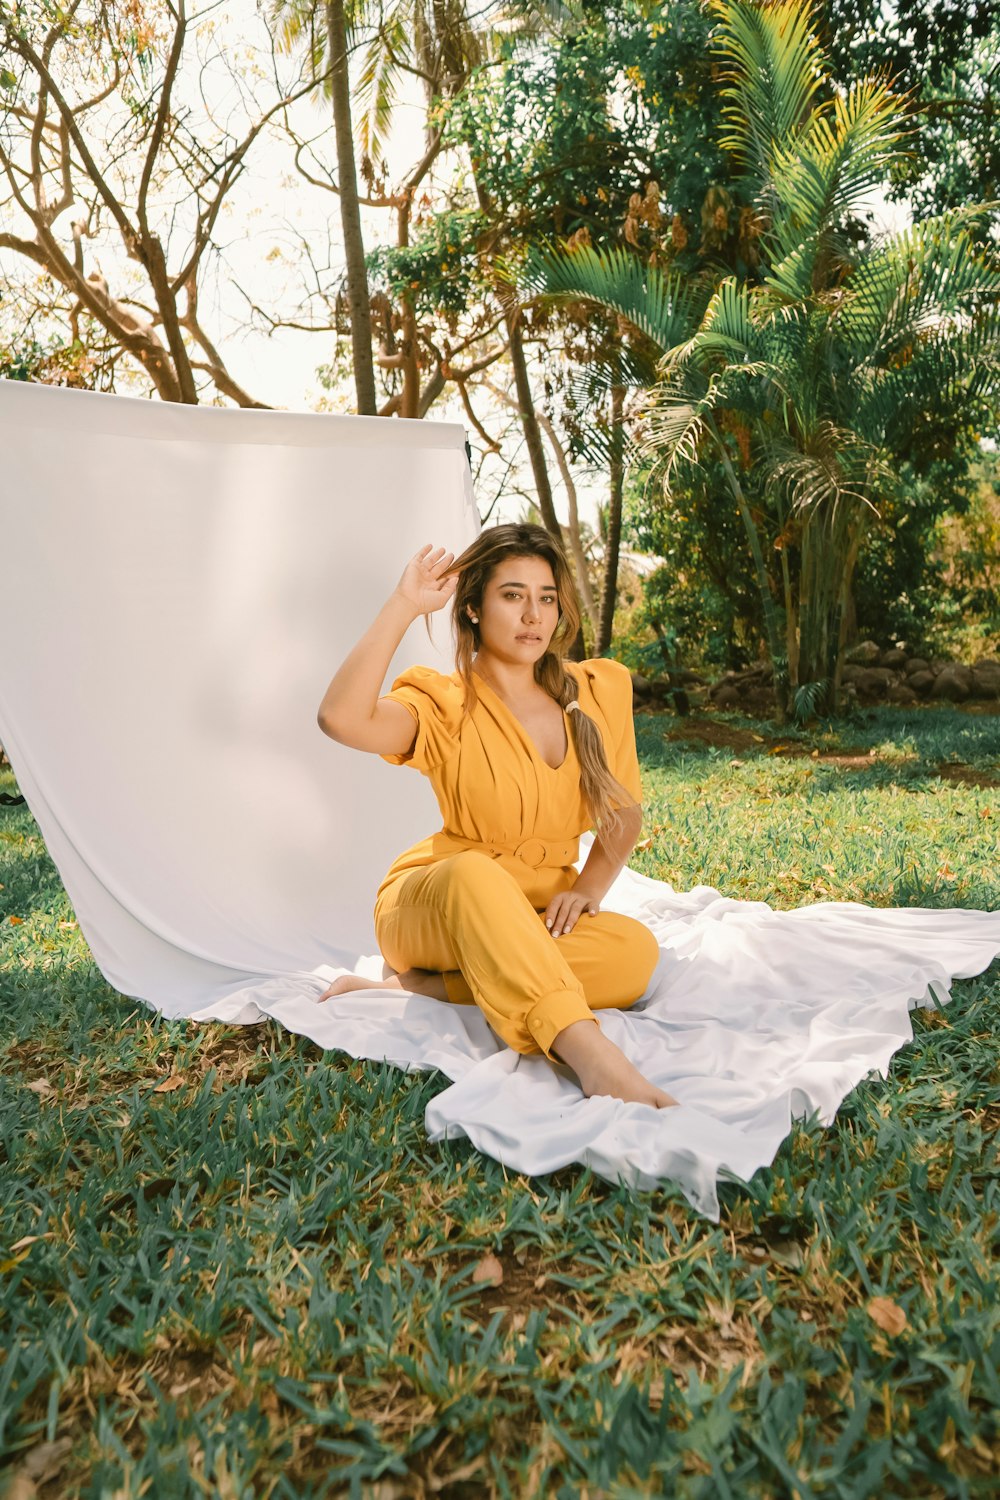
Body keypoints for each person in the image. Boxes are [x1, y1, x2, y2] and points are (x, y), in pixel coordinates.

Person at [316, 524, 677, 1109]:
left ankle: (425, 989)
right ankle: (591, 1055)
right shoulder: (445, 702)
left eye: (546, 597)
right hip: (435, 900)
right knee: (476, 875)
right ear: (475, 608)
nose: (533, 614)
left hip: (533, 917)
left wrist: (587, 890)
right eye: (512, 595)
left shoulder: (598, 689)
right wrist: (404, 605)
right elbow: (341, 717)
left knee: (634, 953)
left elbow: (623, 816)